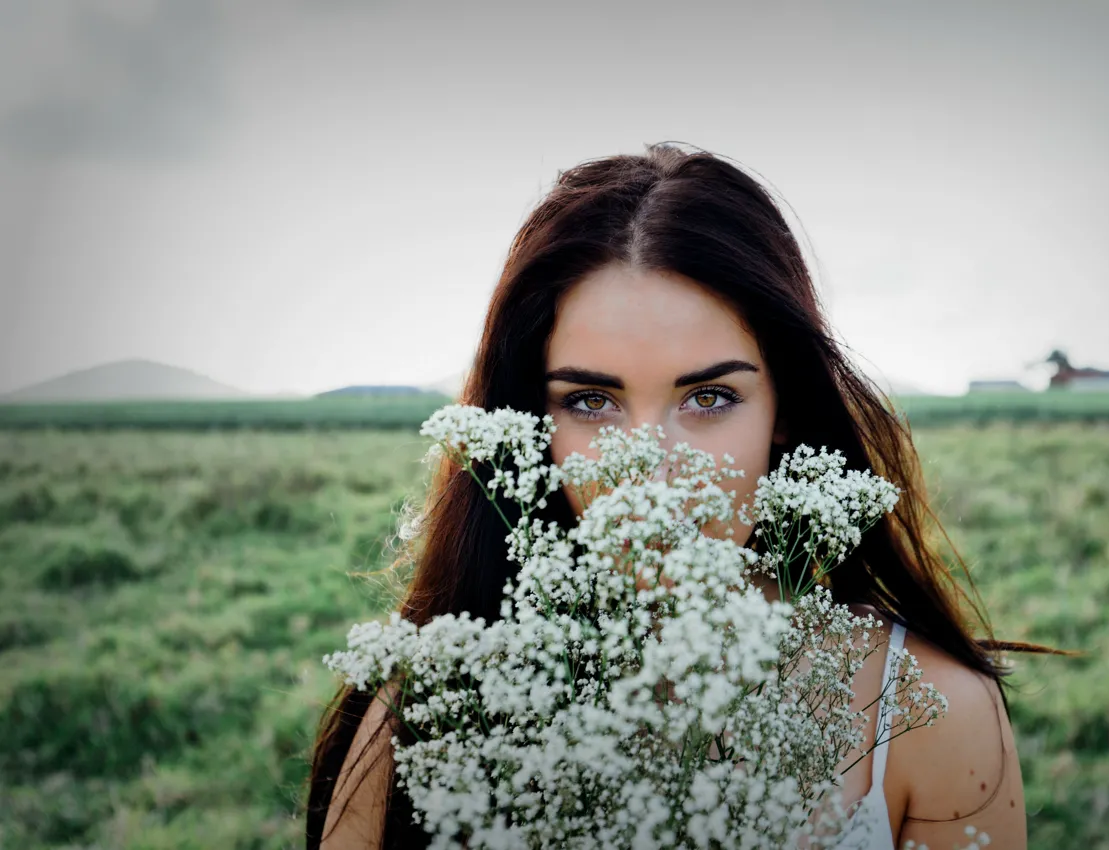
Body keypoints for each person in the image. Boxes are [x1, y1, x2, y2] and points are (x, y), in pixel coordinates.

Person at [307, 141, 1055, 849]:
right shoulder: (429, 712)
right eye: (591, 402)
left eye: (710, 397)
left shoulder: (931, 713)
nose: (652, 471)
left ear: (784, 412)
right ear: (529, 426)